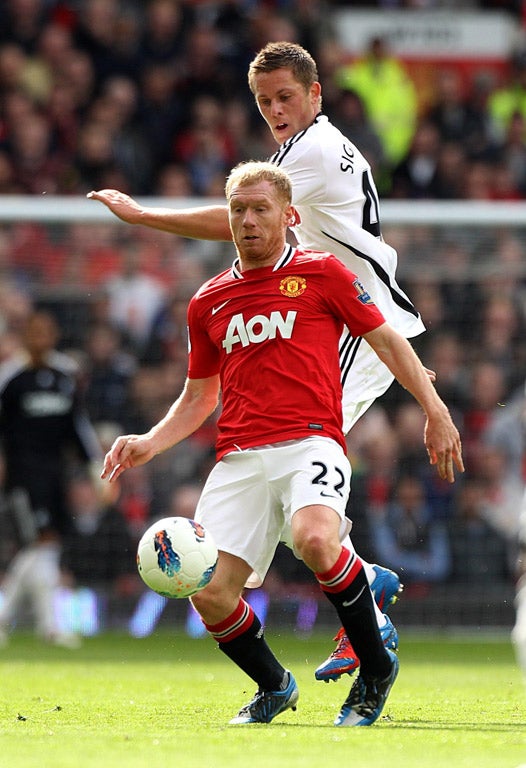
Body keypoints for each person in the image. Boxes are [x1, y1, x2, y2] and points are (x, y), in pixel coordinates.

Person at [88, 40, 427, 681]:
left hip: (347, 323)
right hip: (351, 323)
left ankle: (370, 612)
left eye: (285, 98)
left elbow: (240, 218)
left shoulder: (313, 153)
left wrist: (143, 217)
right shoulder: (306, 149)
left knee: (298, 456)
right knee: (295, 473)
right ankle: (366, 585)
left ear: (316, 95)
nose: (274, 109)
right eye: (264, 100)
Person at [101, 161, 463, 726]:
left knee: (316, 539)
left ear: (288, 216)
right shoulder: (207, 301)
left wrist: (434, 411)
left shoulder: (323, 273)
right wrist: (150, 441)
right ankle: (275, 685)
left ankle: (375, 670)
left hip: (311, 441)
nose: (247, 220)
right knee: (210, 593)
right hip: (239, 457)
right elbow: (199, 396)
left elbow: (388, 341)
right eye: (238, 210)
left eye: (260, 209)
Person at [0, 310, 103, 646]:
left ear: (55, 335)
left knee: (45, 547)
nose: (40, 338)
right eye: (34, 331)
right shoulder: (10, 379)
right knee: (41, 543)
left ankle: (15, 620)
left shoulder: (66, 376)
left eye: (46, 331)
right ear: (26, 335)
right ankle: (51, 626)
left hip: (56, 475)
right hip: (22, 476)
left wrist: (96, 471)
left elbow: (78, 428)